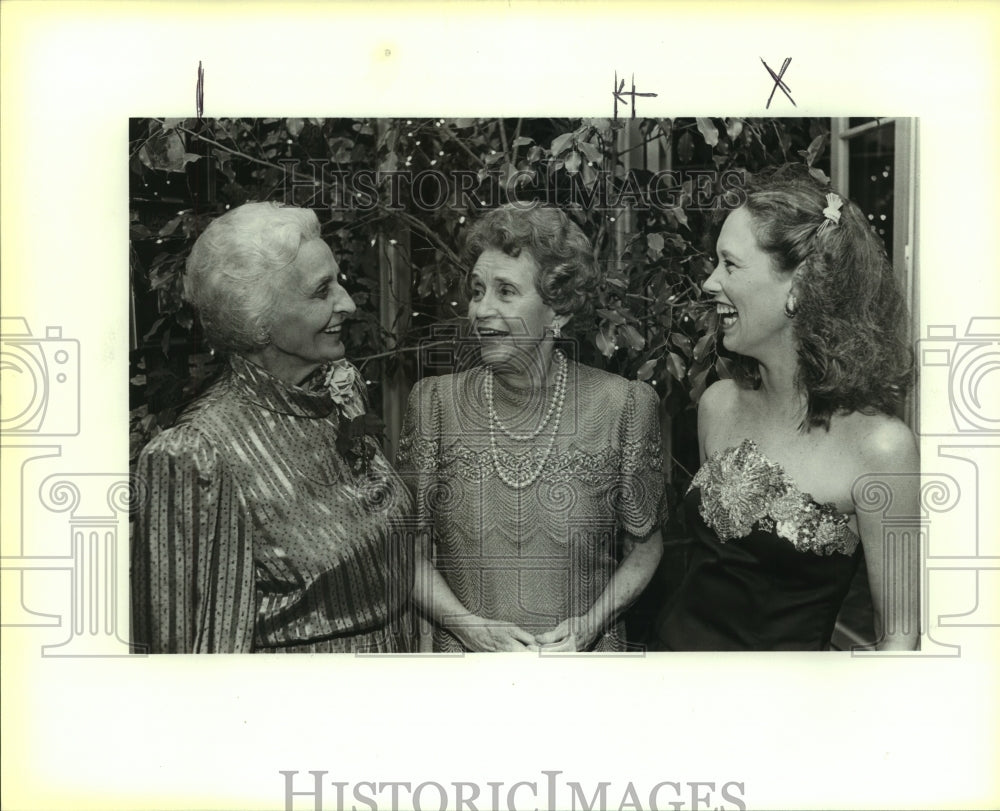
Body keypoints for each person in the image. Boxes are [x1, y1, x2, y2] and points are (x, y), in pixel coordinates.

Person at [654, 165, 919, 651]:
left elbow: (899, 642)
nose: (709, 283)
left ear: (799, 287)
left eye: (730, 265)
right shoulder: (717, 404)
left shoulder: (882, 449)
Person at [131, 202, 413, 653]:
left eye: (338, 281)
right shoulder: (194, 456)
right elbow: (178, 657)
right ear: (257, 318)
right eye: (322, 291)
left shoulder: (342, 390)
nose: (349, 303)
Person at [396, 204, 666, 652]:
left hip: (583, 673)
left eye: (505, 292)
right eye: (477, 291)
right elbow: (405, 554)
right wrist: (469, 628)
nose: (481, 310)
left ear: (556, 309)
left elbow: (646, 548)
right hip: (468, 677)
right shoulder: (434, 404)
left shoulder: (623, 405)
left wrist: (589, 625)